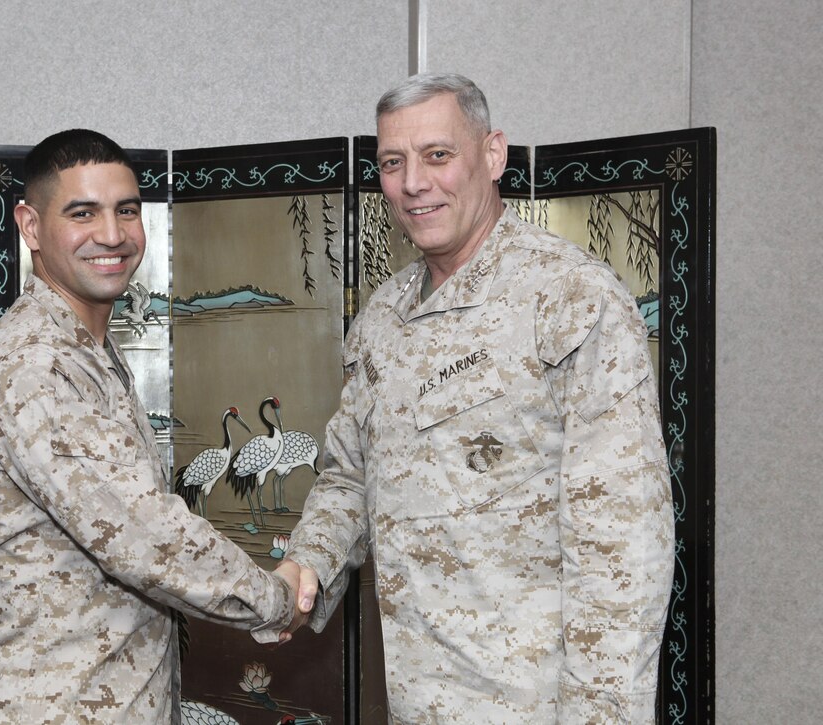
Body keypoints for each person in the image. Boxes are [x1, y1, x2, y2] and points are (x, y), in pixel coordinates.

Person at [278, 73, 674, 722]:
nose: (413, 183)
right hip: (415, 696)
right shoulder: (382, 318)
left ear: (493, 154)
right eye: (392, 163)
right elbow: (349, 474)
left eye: (438, 155)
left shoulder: (571, 299)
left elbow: (624, 550)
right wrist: (307, 563)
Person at [0, 129, 304, 724]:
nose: (111, 235)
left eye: (126, 211)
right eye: (82, 213)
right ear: (30, 227)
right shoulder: (35, 363)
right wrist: (274, 600)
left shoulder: (86, 351)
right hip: (52, 705)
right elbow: (143, 535)